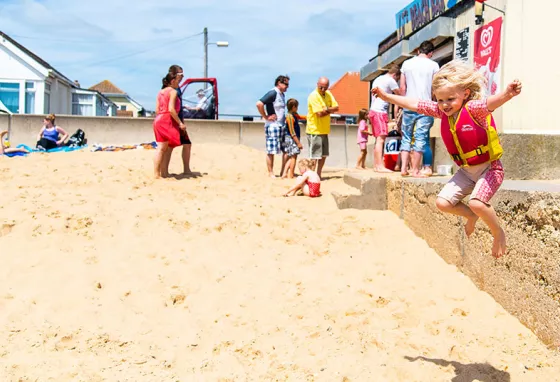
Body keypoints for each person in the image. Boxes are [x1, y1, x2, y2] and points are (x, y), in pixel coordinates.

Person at [372, 60, 522, 258]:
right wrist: (385, 96)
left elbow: (491, 103)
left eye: (450, 99)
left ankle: (498, 232)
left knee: (477, 202)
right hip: (466, 172)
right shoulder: (442, 112)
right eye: (440, 100)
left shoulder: (474, 109)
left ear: (465, 94)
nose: (444, 105)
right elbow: (414, 103)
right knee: (443, 203)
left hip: (489, 168)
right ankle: (470, 215)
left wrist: (507, 94)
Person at [399, 40, 439, 177]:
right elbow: (435, 87)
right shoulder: (434, 65)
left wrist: (403, 102)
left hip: (409, 103)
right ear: (431, 53)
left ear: (418, 51)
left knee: (406, 136)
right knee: (421, 137)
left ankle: (404, 169)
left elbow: (402, 87)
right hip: (425, 105)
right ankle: (415, 170)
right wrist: (434, 100)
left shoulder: (406, 64)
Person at [153, 71, 185, 179]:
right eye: (178, 80)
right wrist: (180, 123)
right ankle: (159, 173)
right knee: (165, 148)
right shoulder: (173, 92)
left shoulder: (160, 92)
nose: (179, 82)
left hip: (158, 119)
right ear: (173, 81)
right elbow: (171, 109)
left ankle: (162, 173)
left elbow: (157, 110)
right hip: (167, 119)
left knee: (162, 147)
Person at [256, 75, 290, 178]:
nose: (287, 87)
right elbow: (259, 103)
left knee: (286, 149)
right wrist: (265, 116)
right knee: (271, 150)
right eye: (286, 84)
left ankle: (282, 172)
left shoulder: (282, 95)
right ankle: (271, 172)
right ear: (279, 83)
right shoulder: (273, 92)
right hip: (273, 126)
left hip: (281, 125)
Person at [369, 64, 401, 172]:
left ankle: (376, 165)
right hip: (380, 112)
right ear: (395, 75)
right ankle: (380, 166)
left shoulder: (378, 78)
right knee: (381, 139)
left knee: (377, 139)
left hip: (373, 111)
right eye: (398, 79)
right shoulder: (390, 80)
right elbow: (400, 94)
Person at [162, 65, 192, 175]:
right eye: (180, 74)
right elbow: (170, 107)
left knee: (186, 144)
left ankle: (186, 170)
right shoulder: (171, 88)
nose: (183, 76)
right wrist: (179, 122)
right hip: (173, 120)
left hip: (178, 119)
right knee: (169, 147)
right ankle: (164, 172)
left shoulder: (177, 87)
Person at [306, 77, 339, 177]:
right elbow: (319, 114)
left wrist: (326, 109)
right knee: (314, 156)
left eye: (325, 87)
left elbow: (337, 107)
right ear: (317, 84)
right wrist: (330, 110)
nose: (323, 89)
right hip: (314, 130)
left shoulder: (328, 94)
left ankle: (318, 174)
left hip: (324, 130)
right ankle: (311, 175)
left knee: (323, 155)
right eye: (321, 87)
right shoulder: (313, 96)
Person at [282, 98, 304, 179]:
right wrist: (298, 143)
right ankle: (290, 174)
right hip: (292, 139)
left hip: (292, 138)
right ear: (293, 107)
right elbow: (292, 132)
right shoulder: (290, 117)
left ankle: (285, 173)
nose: (297, 108)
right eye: (297, 106)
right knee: (294, 157)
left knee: (291, 157)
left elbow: (300, 117)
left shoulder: (294, 114)